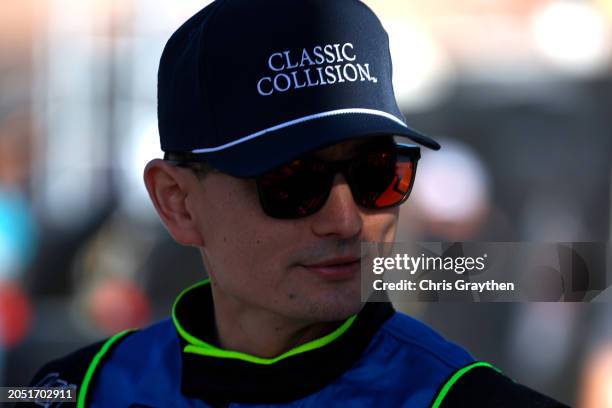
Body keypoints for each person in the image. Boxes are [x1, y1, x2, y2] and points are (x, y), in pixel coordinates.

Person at [24, 1, 567, 407]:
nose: (347, 219)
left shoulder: (467, 398)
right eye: (291, 182)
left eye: (378, 174)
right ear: (177, 203)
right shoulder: (76, 391)